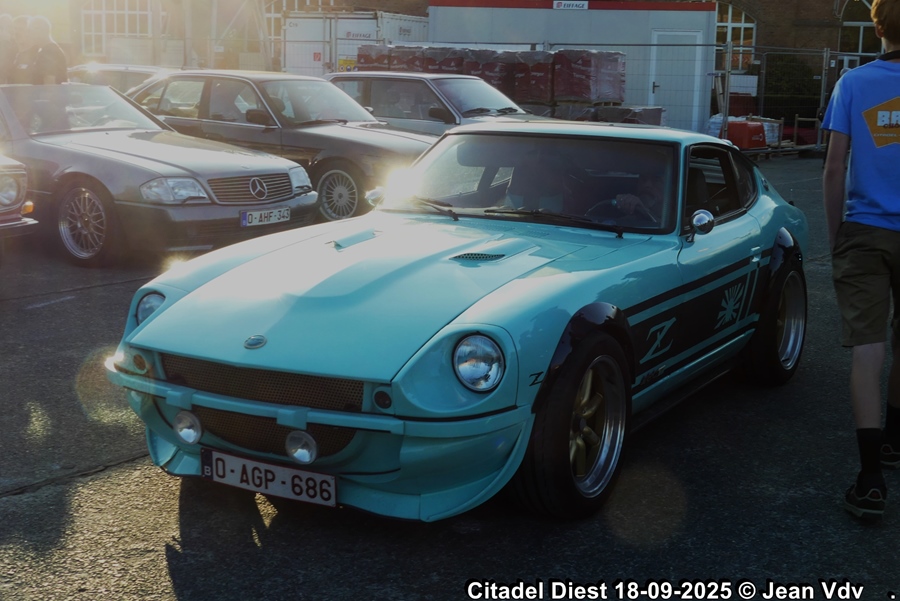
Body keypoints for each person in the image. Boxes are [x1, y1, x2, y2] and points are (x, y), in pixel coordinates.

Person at [822, 0, 900, 521]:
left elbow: (834, 168)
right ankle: (894, 439)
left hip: (865, 230)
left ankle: (871, 479)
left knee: (869, 348)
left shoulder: (853, 83)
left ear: (877, 27)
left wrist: (836, 239)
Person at [22, 16, 67, 84]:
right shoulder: (47, 50)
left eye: (30, 31)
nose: (28, 34)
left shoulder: (49, 52)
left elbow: (50, 82)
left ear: (41, 30)